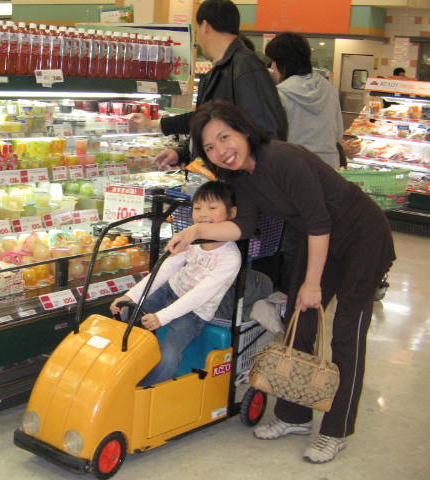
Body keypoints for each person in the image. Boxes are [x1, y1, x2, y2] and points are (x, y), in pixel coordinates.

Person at [167, 99, 395, 463]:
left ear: (243, 130)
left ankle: (336, 430)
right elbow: (244, 226)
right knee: (298, 321)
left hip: (361, 236)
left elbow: (319, 220)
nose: (221, 151)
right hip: (319, 237)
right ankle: (294, 416)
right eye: (210, 146)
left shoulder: (283, 157)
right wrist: (195, 230)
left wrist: (312, 283)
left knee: (347, 332)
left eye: (225, 137)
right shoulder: (238, 177)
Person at [109, 181, 241, 386]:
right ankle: (124, 372)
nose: (203, 214)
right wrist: (130, 296)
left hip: (195, 311)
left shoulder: (230, 258)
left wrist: (162, 317)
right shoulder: (192, 239)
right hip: (171, 290)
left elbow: (199, 296)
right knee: (127, 313)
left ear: (232, 214)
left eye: (212, 208)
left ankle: (147, 389)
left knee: (169, 353)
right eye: (197, 208)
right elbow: (165, 270)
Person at [129, 0, 287, 170]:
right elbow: (206, 121)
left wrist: (253, 177)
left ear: (205, 26)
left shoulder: (245, 66)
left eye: (197, 29)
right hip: (218, 177)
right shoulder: (221, 69)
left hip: (238, 181)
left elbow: (269, 130)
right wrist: (182, 153)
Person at [265, 32, 344, 169]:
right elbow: (338, 135)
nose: (272, 66)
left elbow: (273, 140)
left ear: (285, 63)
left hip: (294, 167)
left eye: (274, 61)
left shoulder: (280, 94)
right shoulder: (329, 89)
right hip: (329, 167)